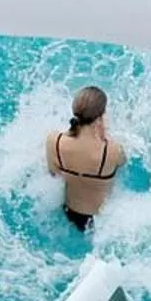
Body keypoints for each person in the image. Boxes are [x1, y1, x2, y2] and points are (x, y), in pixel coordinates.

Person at [46, 85, 125, 234]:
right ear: (101, 117)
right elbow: (123, 162)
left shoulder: (54, 141)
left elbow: (53, 174)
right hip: (99, 221)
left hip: (69, 213)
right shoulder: (111, 150)